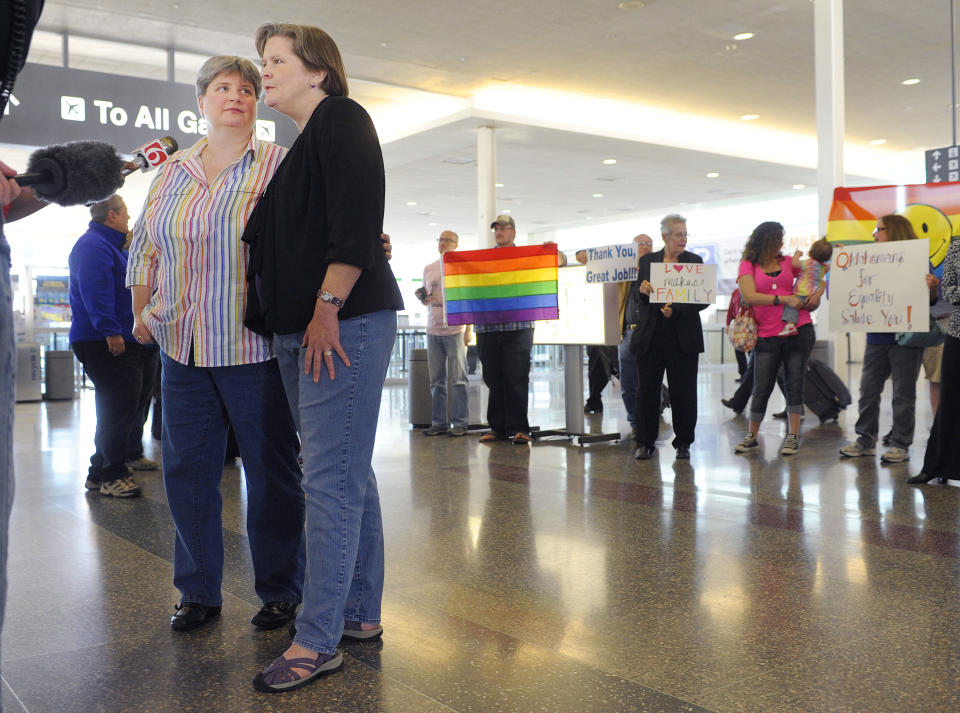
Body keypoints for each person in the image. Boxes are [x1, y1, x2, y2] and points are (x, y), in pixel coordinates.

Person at [242, 22, 403, 692]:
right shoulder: (300, 145)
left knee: (330, 481)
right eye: (263, 61)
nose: (265, 72)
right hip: (303, 326)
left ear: (319, 70)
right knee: (344, 472)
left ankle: (318, 639)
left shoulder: (342, 117)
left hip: (340, 321)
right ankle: (357, 613)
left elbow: (357, 220)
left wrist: (328, 305)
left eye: (276, 60)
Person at [127, 56, 306, 634]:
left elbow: (302, 241)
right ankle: (197, 590)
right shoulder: (171, 171)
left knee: (272, 473)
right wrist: (142, 313)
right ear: (201, 102)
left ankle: (280, 590)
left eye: (247, 88)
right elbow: (146, 249)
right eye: (223, 88)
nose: (236, 96)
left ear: (256, 103)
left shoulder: (278, 164)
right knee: (186, 472)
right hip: (182, 344)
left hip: (252, 346)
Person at [839, 215, 939, 464]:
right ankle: (865, 440)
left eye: (878, 229)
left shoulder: (916, 260)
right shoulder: (870, 260)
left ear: (893, 231)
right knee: (868, 390)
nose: (874, 234)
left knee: (903, 393)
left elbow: (931, 301)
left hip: (907, 337)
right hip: (877, 336)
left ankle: (900, 444)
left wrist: (933, 287)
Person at [68, 195, 145, 497]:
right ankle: (113, 474)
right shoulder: (93, 246)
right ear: (112, 216)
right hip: (104, 340)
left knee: (120, 410)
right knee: (117, 411)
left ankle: (98, 472)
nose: (128, 218)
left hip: (117, 337)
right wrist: (111, 332)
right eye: (125, 213)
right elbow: (95, 292)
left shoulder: (110, 247)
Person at [734, 221, 822, 456]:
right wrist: (783, 299)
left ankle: (793, 436)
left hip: (799, 329)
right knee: (762, 386)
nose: (782, 244)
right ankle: (752, 435)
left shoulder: (787, 263)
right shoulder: (748, 265)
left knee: (795, 383)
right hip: (766, 334)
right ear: (766, 241)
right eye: (778, 239)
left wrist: (817, 296)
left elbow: (816, 277)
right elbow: (750, 295)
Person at [629, 214, 706, 461]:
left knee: (684, 392)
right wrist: (642, 290)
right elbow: (641, 294)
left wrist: (677, 310)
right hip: (652, 336)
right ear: (665, 236)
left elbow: (702, 298)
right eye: (678, 234)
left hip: (683, 337)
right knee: (647, 392)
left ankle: (683, 442)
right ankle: (645, 441)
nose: (683, 239)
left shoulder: (694, 261)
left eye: (685, 234)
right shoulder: (649, 261)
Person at [476, 214, 536, 445]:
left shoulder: (525, 258)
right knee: (492, 378)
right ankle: (498, 428)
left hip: (518, 327)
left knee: (516, 377)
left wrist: (552, 253)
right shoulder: (482, 260)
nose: (499, 232)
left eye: (504, 228)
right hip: (487, 327)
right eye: (497, 229)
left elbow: (550, 266)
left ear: (514, 232)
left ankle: (520, 428)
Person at [909, 235, 960, 485]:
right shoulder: (957, 245)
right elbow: (948, 290)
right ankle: (937, 465)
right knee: (949, 401)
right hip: (958, 334)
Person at [420, 230, 471, 436]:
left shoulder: (462, 269)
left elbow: (467, 299)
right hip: (433, 328)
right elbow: (427, 297)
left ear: (456, 245)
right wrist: (424, 299)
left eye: (447, 240)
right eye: (440, 240)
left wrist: (469, 329)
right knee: (436, 380)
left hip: (455, 329)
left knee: (458, 379)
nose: (442, 243)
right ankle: (438, 422)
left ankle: (460, 423)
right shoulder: (429, 269)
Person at [574, 248, 620, 415]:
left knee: (620, 365)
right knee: (597, 366)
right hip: (595, 328)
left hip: (613, 327)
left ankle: (594, 399)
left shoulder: (614, 274)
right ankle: (594, 399)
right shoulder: (588, 277)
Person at [617, 234, 653, 438]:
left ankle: (648, 420)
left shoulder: (657, 270)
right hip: (627, 331)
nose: (646, 247)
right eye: (641, 244)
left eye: (649, 244)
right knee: (628, 381)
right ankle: (634, 421)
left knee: (648, 381)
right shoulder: (622, 270)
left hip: (649, 331)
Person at [778, 237, 833, 336]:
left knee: (791, 306)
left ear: (811, 252)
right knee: (798, 307)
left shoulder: (808, 263)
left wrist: (797, 255)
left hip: (801, 292)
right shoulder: (824, 267)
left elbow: (795, 263)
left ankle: (790, 324)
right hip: (812, 295)